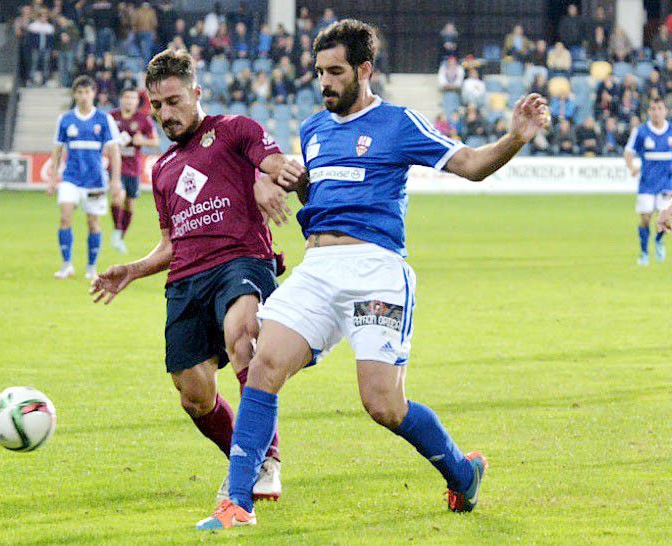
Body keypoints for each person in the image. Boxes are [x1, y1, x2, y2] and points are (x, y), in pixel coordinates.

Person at [196, 18, 549, 530]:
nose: (324, 82)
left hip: (375, 271)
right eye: (319, 71)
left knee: (382, 402)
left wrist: (514, 138)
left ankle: (461, 473)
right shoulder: (313, 129)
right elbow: (318, 195)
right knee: (260, 358)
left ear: (364, 70)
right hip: (318, 268)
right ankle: (238, 502)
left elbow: (470, 165)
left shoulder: (398, 123)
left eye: (335, 71)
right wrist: (288, 184)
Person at [90, 48, 304, 504]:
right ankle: (243, 457)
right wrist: (132, 269)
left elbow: (275, 163)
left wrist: (268, 178)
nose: (166, 113)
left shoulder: (234, 131)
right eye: (158, 105)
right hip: (186, 279)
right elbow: (171, 243)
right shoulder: (162, 169)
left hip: (242, 260)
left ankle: (263, 462)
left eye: (174, 101)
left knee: (242, 335)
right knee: (194, 395)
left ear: (196, 92)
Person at [48, 76, 123, 280]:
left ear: (94, 94)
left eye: (87, 92)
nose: (84, 96)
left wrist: (115, 180)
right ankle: (66, 265)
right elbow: (57, 151)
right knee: (64, 217)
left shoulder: (103, 119)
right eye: (80, 92)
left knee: (93, 223)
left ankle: (91, 267)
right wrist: (52, 178)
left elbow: (114, 151)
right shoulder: (65, 120)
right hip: (70, 177)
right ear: (75, 94)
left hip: (95, 180)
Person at [624, 98, 672, 266]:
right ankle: (644, 253)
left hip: (666, 182)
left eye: (659, 108)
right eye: (652, 109)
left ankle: (658, 240)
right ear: (648, 112)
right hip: (647, 183)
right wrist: (631, 167)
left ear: (665, 111)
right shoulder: (641, 131)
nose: (656, 112)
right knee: (645, 218)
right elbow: (628, 152)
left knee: (664, 218)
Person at [109, 88, 158, 253]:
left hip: (133, 168)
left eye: (132, 98)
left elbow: (155, 141)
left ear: (137, 102)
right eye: (126, 97)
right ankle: (116, 230)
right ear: (121, 99)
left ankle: (121, 237)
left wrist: (141, 140)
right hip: (115, 166)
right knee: (118, 196)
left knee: (129, 204)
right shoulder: (111, 117)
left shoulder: (143, 119)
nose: (129, 101)